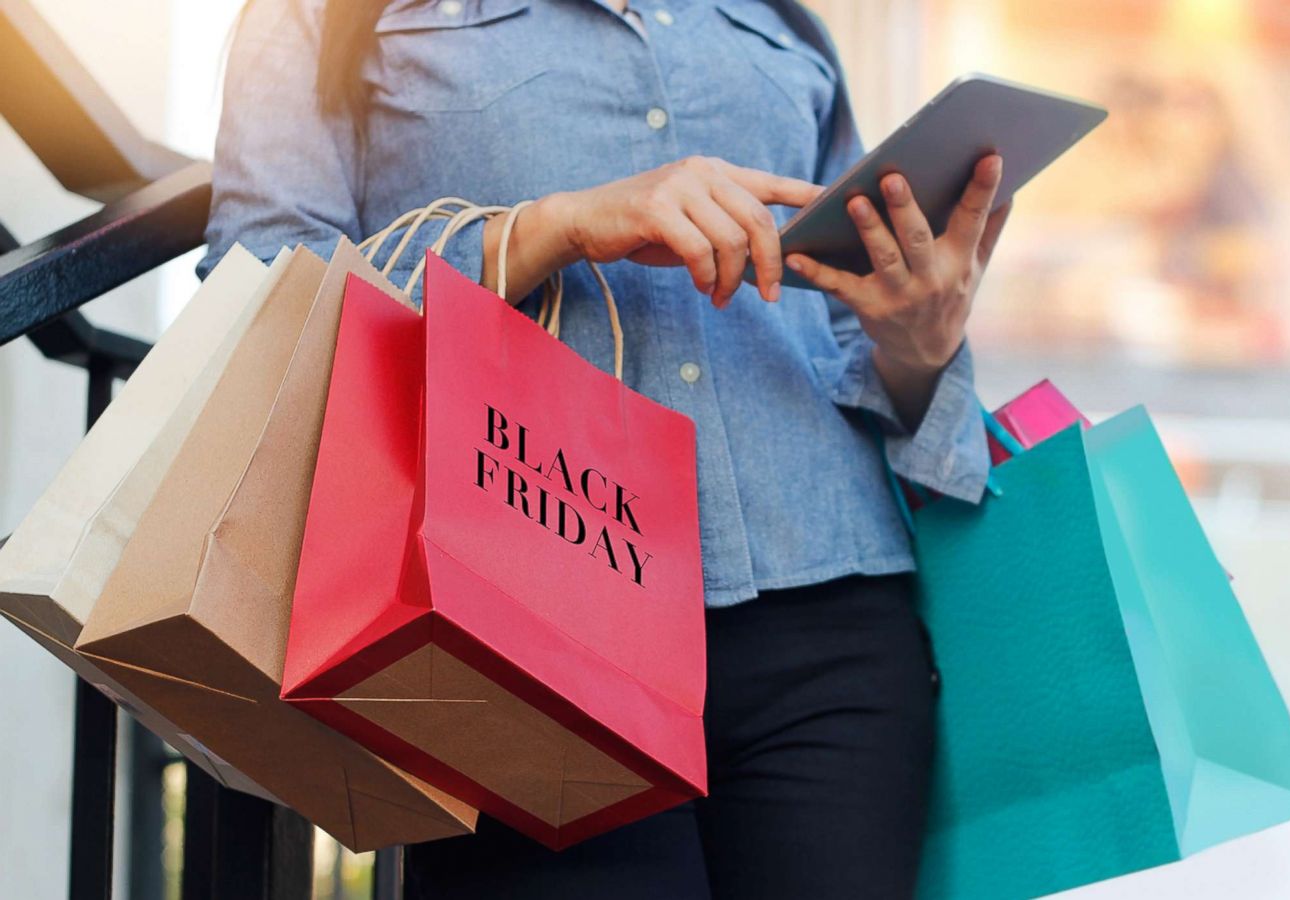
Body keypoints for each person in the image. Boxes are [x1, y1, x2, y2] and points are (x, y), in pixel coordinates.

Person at [205, 1, 1009, 897]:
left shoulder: (782, 20)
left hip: (831, 618)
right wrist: (558, 225)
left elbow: (845, 333)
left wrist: (922, 339)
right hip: (523, 626)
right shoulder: (318, 17)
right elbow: (265, 294)